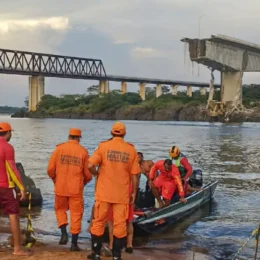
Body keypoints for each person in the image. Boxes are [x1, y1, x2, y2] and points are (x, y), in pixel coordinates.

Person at [87, 122, 140, 260]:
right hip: (121, 195)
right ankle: (117, 256)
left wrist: (96, 173)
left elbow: (90, 165)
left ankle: (96, 253)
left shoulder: (103, 146)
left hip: (103, 193)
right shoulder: (131, 150)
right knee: (120, 225)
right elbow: (135, 175)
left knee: (98, 222)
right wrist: (133, 193)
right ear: (124, 134)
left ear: (111, 133)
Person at [47, 128, 92, 251]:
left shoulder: (59, 149)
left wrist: (55, 180)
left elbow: (50, 169)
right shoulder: (83, 151)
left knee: (60, 209)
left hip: (60, 187)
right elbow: (88, 174)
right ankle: (74, 244)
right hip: (76, 189)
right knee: (76, 214)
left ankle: (63, 234)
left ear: (69, 136)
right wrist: (85, 182)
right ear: (78, 138)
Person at [0, 122, 32, 256]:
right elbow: (12, 169)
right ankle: (17, 249)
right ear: (8, 133)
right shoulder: (7, 147)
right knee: (13, 215)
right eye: (10, 132)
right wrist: (21, 188)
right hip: (5, 186)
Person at [107, 182, 134, 254]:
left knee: (111, 221)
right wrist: (134, 193)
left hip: (113, 191)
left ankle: (112, 245)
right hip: (127, 189)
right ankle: (129, 244)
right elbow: (135, 178)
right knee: (129, 221)